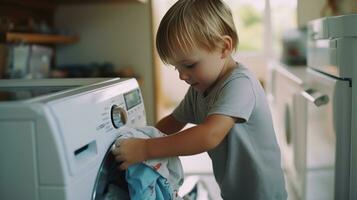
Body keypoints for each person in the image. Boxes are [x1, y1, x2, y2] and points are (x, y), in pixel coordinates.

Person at [112, 0, 287, 199]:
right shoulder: (199, 90)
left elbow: (208, 135)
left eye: (189, 65)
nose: (182, 75)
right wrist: (144, 136)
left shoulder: (240, 85)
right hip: (234, 192)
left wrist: (145, 149)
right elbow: (172, 122)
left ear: (224, 47)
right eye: (177, 68)